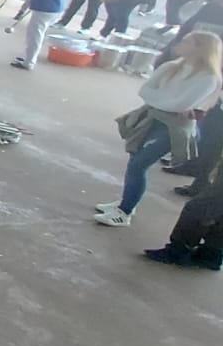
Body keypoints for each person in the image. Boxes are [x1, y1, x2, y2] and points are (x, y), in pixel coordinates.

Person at [95, 31, 222, 228]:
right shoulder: (171, 66)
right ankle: (127, 203)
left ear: (200, 48)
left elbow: (179, 104)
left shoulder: (208, 78)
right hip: (153, 118)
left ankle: (124, 213)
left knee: (139, 164)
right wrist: (166, 102)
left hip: (173, 128)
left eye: (188, 41)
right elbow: (145, 90)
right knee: (135, 160)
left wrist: (161, 99)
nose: (181, 43)